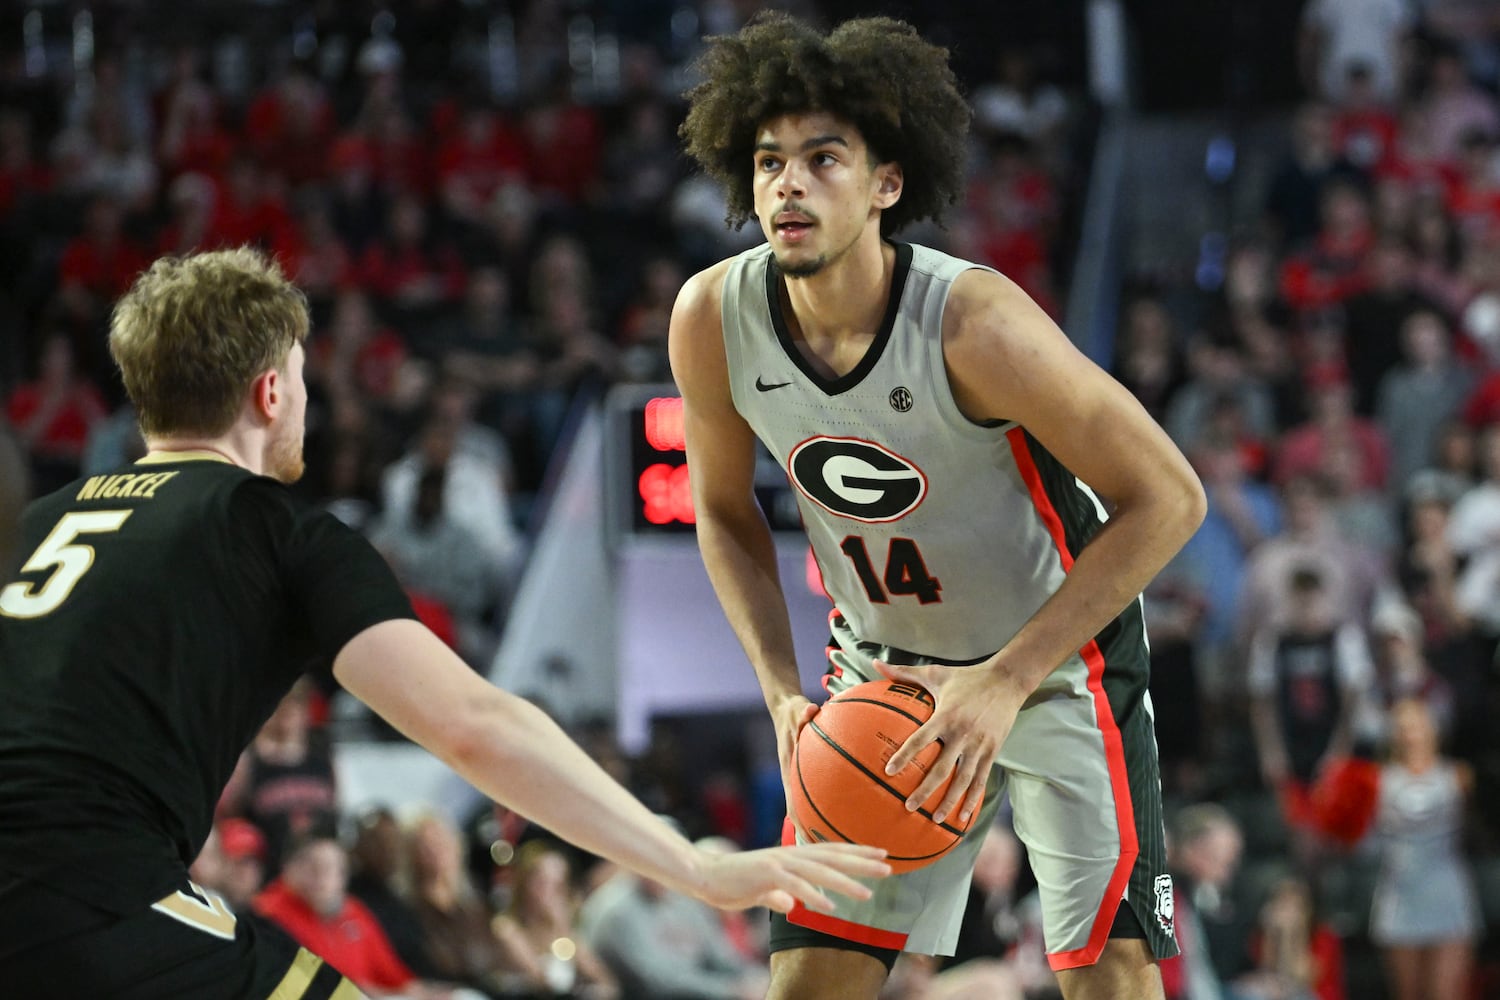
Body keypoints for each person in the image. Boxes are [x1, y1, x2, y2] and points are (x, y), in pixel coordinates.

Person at [0, 248, 889, 999]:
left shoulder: (40, 520)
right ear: (271, 393)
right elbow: (476, 728)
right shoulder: (269, 526)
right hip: (86, 886)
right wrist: (693, 867)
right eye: (306, 377)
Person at [670, 14, 1206, 1000]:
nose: (789, 182)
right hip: (883, 670)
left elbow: (1170, 498)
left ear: (887, 182)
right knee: (806, 984)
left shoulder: (974, 322)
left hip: (1051, 664)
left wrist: (1006, 680)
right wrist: (784, 691)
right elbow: (722, 511)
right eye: (768, 162)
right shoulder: (712, 317)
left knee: (1114, 976)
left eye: (823, 158)